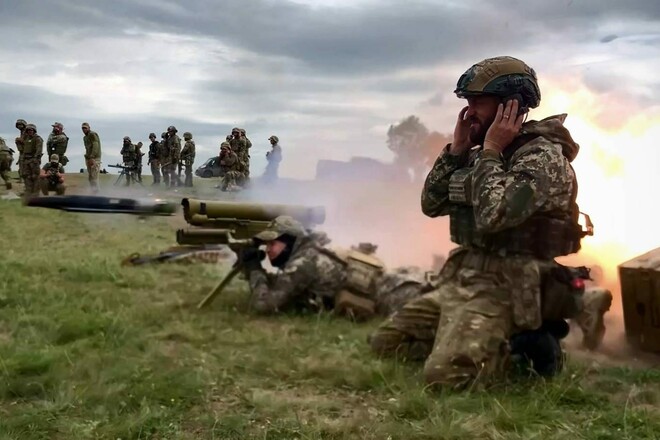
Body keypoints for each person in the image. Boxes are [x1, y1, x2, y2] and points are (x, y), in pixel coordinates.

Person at [368, 56, 612, 388]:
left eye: (477, 102)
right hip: (465, 278)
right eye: (467, 102)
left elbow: (492, 216)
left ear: (509, 105)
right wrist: (456, 151)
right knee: (387, 345)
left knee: (446, 377)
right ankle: (478, 341)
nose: (469, 112)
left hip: (509, 287)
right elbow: (431, 204)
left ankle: (532, 349)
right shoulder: (478, 152)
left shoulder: (542, 158)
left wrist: (491, 151)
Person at [239, 216, 436, 319]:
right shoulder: (309, 254)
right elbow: (283, 289)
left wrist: (254, 268)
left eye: (273, 244)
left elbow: (264, 305)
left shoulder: (304, 262)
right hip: (396, 288)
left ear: (290, 242)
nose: (268, 249)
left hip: (397, 294)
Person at [20, 123, 43, 198]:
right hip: (26, 160)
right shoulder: (26, 139)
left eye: (31, 130)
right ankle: (28, 192)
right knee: (26, 176)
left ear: (34, 131)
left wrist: (35, 159)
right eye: (28, 130)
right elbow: (23, 150)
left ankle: (36, 194)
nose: (30, 131)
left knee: (35, 177)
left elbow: (39, 150)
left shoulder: (37, 139)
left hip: (33, 160)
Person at [82, 122, 102, 193]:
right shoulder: (85, 138)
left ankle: (96, 192)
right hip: (89, 158)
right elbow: (87, 148)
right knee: (90, 177)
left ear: (89, 128)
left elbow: (95, 145)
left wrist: (92, 156)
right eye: (83, 128)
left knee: (94, 176)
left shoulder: (92, 134)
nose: (84, 129)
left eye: (85, 128)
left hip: (95, 158)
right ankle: (94, 191)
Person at [15, 119, 27, 183]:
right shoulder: (22, 132)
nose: (19, 126)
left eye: (20, 124)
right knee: (21, 164)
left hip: (27, 151)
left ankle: (22, 179)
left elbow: (28, 142)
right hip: (22, 151)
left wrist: (20, 140)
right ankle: (21, 178)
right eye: (18, 125)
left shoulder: (27, 131)